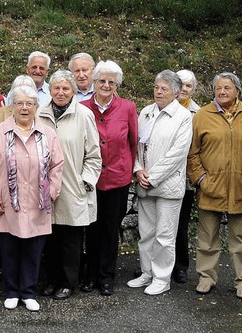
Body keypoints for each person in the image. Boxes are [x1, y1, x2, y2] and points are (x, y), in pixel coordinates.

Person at [0, 85, 64, 312]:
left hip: (38, 201)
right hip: (6, 201)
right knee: (8, 248)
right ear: (12, 107)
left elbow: (57, 165)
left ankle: (28, 292)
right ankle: (11, 291)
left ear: (37, 107)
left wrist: (52, 191)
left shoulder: (48, 133)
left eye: (30, 103)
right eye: (20, 103)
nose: (25, 108)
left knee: (33, 249)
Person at [187, 72, 242, 298]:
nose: (222, 92)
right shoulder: (202, 115)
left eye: (227, 87)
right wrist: (201, 179)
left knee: (241, 241)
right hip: (210, 187)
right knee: (207, 239)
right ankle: (206, 277)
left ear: (237, 90)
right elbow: (192, 152)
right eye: (218, 88)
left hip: (240, 187)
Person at [127, 70, 192, 295]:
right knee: (146, 233)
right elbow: (135, 145)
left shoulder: (183, 117)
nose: (158, 92)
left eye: (164, 89)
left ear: (175, 93)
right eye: (156, 87)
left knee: (164, 236)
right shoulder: (145, 113)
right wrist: (137, 170)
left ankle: (162, 277)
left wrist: (152, 177)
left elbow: (178, 154)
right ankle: (147, 272)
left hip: (167, 187)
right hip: (144, 183)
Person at [39, 70, 102, 300]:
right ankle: (51, 279)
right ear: (50, 90)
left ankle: (67, 282)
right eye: (56, 88)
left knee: (70, 239)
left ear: (73, 91)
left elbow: (94, 155)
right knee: (49, 238)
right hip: (44, 187)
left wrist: (86, 180)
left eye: (66, 88)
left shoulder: (84, 115)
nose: (61, 92)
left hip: (72, 186)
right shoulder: (40, 114)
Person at [81, 60, 138, 295]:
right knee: (91, 228)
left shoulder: (127, 108)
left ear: (117, 85)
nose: (106, 85)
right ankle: (90, 274)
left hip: (117, 179)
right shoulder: (83, 107)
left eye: (111, 82)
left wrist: (128, 169)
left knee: (110, 228)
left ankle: (106, 276)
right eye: (102, 80)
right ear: (94, 82)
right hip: (91, 179)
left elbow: (133, 142)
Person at [172, 69, 201, 284]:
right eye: (180, 84)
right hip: (161, 176)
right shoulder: (159, 107)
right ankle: (155, 264)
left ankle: (180, 266)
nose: (184, 88)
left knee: (180, 225)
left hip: (185, 179)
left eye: (188, 86)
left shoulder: (198, 114)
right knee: (157, 225)